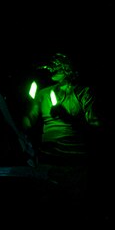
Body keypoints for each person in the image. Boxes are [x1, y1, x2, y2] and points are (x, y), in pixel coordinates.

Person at [21, 52, 99, 188]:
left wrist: (66, 117)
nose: (52, 68)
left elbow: (96, 127)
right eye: (51, 65)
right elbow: (29, 120)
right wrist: (23, 118)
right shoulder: (43, 93)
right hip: (48, 157)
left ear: (68, 67)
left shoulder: (84, 93)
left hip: (75, 160)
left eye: (57, 64)